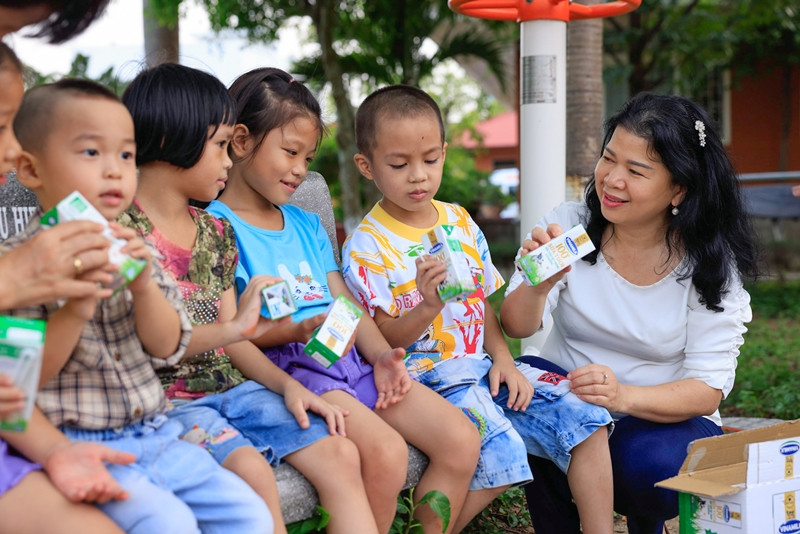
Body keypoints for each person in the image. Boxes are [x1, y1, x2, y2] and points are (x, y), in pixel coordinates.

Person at [206, 67, 481, 534]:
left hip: (349, 355)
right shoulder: (217, 228)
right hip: (296, 364)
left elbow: (345, 306)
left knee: (461, 439)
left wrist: (383, 358)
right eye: (290, 152)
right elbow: (234, 333)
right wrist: (297, 340)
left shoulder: (306, 224)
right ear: (240, 140)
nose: (300, 169)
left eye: (307, 156)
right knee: (387, 452)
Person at [120, 62, 384, 534]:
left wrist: (289, 387)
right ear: (169, 140)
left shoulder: (216, 232)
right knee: (252, 474)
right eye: (220, 145)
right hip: (166, 401)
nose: (228, 159)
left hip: (236, 388)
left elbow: (233, 339)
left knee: (341, 451)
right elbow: (163, 342)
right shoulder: (122, 234)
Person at [341, 84, 615, 534]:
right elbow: (381, 342)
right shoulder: (368, 246)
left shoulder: (459, 222)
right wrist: (429, 305)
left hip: (481, 367)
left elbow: (482, 302)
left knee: (582, 416)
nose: (418, 176)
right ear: (367, 165)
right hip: (424, 378)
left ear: (445, 153)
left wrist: (505, 358)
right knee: (501, 450)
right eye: (399, 164)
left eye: (430, 160)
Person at [6, 77, 273, 533]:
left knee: (249, 514)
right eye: (92, 153)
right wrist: (75, 307)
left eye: (126, 155)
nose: (114, 170)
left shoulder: (136, 250)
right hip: (82, 438)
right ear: (31, 170)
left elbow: (168, 343)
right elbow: (20, 385)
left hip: (156, 433)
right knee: (167, 523)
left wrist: (146, 287)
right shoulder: (17, 268)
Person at [500, 92, 758, 534]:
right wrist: (537, 286)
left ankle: (644, 520)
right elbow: (516, 325)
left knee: (647, 466)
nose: (611, 180)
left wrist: (620, 396)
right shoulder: (572, 226)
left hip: (661, 422)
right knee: (521, 393)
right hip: (569, 403)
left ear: (679, 187)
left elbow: (707, 388)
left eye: (636, 170)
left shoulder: (710, 266)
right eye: (608, 158)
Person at [0, 41, 135, 534]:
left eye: (126, 154)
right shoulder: (20, 254)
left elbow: (12, 384)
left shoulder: (123, 246)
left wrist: (56, 451)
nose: (13, 150)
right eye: (1, 128)